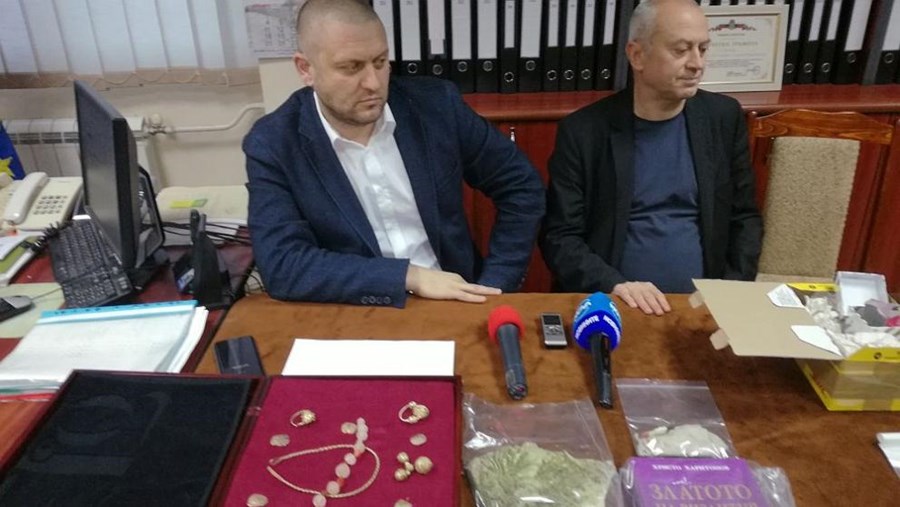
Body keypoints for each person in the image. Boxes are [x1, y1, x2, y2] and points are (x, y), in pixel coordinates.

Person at [244, 0, 544, 308]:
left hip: (456, 302)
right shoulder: (274, 143)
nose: (373, 83)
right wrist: (408, 276)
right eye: (351, 67)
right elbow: (284, 264)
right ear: (306, 69)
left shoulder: (436, 106)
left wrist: (496, 284)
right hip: (355, 311)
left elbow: (521, 185)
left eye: (380, 62)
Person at [540, 0, 762, 315]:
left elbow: (745, 218)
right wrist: (614, 285)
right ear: (637, 55)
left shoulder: (723, 118)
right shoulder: (584, 131)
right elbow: (560, 237)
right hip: (615, 304)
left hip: (706, 307)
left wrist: (729, 292)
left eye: (703, 49)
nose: (697, 64)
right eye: (681, 50)